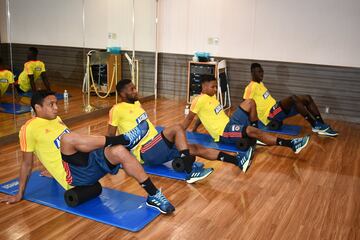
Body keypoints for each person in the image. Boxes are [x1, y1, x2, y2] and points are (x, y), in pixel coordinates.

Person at [0, 90, 175, 214]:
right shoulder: (28, 129)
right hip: (74, 177)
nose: (56, 108)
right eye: (51, 105)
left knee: (119, 152)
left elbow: (58, 148)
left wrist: (50, 170)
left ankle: (154, 195)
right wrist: (19, 193)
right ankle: (122, 139)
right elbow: (26, 163)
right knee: (69, 139)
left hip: (84, 162)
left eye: (56, 104)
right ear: (37, 108)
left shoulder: (57, 119)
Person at [108, 79, 253, 179]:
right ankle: (190, 171)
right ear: (122, 94)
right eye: (132, 89)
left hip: (157, 146)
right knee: (176, 128)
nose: (136, 91)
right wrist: (115, 159)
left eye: (135, 88)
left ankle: (237, 161)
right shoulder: (116, 110)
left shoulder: (137, 104)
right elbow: (110, 137)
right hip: (145, 151)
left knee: (196, 147)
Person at [182, 76, 310, 155]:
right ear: (204, 86)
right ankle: (291, 144)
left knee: (249, 102)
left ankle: (256, 130)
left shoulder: (212, 96)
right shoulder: (198, 100)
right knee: (250, 131)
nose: (216, 89)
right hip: (224, 132)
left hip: (230, 122)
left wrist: (194, 129)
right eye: (213, 87)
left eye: (216, 87)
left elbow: (202, 116)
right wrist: (181, 133)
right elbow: (189, 118)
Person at [244, 63, 338, 137]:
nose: (261, 74)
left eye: (262, 71)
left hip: (276, 108)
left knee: (307, 98)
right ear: (253, 73)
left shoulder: (260, 84)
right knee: (293, 98)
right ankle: (315, 125)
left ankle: (321, 125)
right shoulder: (250, 87)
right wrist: (249, 123)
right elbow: (245, 105)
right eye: (259, 72)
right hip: (270, 114)